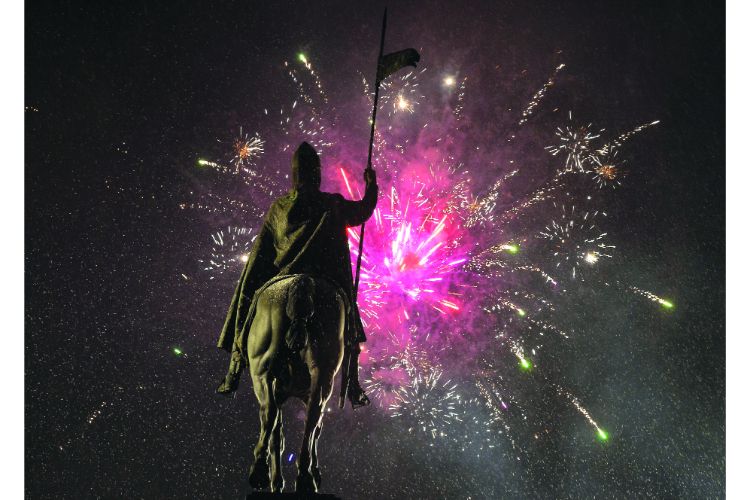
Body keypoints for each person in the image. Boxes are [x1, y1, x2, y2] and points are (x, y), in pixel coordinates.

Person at [216, 141, 377, 408]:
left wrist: (255, 279)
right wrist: (371, 185)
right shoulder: (332, 203)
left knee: (248, 296)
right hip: (325, 278)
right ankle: (353, 383)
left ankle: (234, 367)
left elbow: (261, 254)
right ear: (317, 173)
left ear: (294, 173)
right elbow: (363, 211)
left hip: (283, 276)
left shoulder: (278, 208)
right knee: (348, 322)